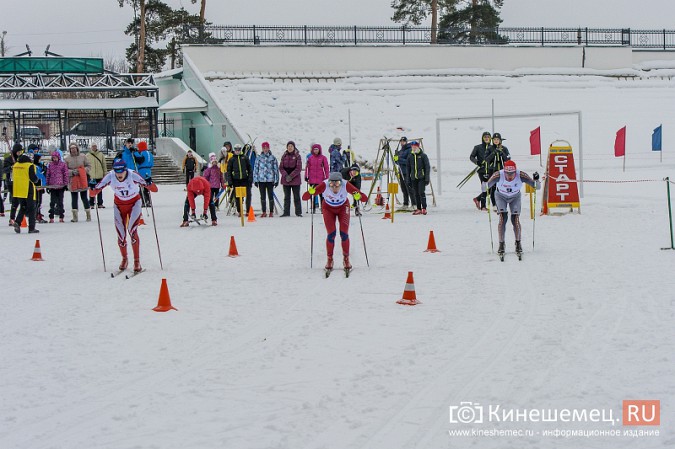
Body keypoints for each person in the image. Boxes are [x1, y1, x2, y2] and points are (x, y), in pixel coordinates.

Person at [89, 159, 157, 272]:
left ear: (125, 169)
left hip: (134, 203)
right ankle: (124, 259)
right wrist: (91, 187)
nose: (119, 173)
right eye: (117, 171)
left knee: (132, 230)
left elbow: (154, 190)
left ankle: (136, 261)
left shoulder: (132, 175)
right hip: (119, 205)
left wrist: (149, 183)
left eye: (121, 171)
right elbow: (93, 193)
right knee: (121, 235)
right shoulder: (110, 176)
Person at [302, 171, 367, 271]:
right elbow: (304, 197)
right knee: (331, 234)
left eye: (337, 184)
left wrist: (359, 196)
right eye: (331, 184)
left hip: (343, 207)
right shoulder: (324, 184)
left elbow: (363, 197)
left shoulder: (346, 184)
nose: (334, 187)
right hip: (328, 208)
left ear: (341, 182)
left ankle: (346, 258)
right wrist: (310, 192)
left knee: (344, 233)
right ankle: (329, 259)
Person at [486, 160, 540, 257]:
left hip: (515, 197)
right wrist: (485, 181)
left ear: (515, 171)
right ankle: (501, 244)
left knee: (515, 219)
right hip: (500, 196)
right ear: (504, 171)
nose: (510, 176)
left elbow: (537, 187)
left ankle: (518, 243)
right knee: (503, 218)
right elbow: (484, 188)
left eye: (512, 173)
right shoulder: (498, 175)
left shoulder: (521, 175)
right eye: (507, 173)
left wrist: (536, 179)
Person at [11, 149, 40, 234]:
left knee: (23, 207)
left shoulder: (16, 165)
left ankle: (17, 222)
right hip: (28, 189)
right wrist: (37, 180)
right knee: (32, 209)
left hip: (18, 190)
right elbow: (33, 178)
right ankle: (31, 228)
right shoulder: (30, 165)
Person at [65, 142, 91, 222]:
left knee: (84, 197)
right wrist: (71, 172)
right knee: (74, 198)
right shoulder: (67, 159)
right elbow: (65, 170)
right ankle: (75, 216)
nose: (73, 150)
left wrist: (83, 171)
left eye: (74, 148)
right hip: (73, 180)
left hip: (82, 179)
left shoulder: (83, 156)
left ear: (77, 148)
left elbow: (89, 166)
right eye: (71, 149)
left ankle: (88, 215)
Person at [252, 141, 279, 217]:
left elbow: (276, 169)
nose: (265, 149)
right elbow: (256, 169)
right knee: (262, 196)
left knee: (270, 196)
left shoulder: (272, 158)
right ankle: (264, 211)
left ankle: (271, 211)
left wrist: (277, 180)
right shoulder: (259, 158)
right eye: (264, 148)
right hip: (261, 180)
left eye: (266, 148)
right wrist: (255, 180)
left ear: (269, 148)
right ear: (262, 148)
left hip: (270, 180)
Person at [485, 132, 511, 210]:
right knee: (493, 187)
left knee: (502, 187)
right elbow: (486, 159)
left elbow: (508, 159)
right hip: (492, 170)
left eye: (497, 139)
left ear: (500, 140)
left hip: (502, 170)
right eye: (494, 139)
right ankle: (494, 204)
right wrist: (493, 153)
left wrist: (502, 153)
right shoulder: (489, 148)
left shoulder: (504, 148)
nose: (496, 141)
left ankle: (502, 203)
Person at [226, 144, 253, 216]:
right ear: (234, 150)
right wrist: (230, 181)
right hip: (236, 180)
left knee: (248, 195)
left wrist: (250, 178)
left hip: (245, 179)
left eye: (239, 150)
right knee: (238, 196)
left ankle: (248, 210)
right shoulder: (232, 159)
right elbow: (229, 171)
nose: (237, 151)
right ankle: (239, 211)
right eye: (236, 150)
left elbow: (250, 169)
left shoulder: (245, 158)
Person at [279, 140, 303, 217]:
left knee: (296, 196)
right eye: (289, 146)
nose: (290, 148)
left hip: (295, 179)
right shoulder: (284, 156)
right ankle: (286, 212)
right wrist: (286, 175)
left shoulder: (297, 156)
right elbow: (281, 167)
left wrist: (291, 176)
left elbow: (298, 168)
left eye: (291, 146)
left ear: (294, 147)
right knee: (286, 197)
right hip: (286, 180)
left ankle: (298, 212)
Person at [470, 131, 492, 211]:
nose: (486, 138)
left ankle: (477, 199)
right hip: (482, 171)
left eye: (488, 137)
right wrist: (477, 162)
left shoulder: (492, 147)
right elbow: (471, 157)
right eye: (485, 137)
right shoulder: (477, 147)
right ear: (482, 138)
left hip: (490, 170)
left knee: (491, 188)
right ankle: (483, 206)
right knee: (485, 187)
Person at [407, 141, 430, 215]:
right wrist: (408, 180)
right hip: (414, 178)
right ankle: (418, 208)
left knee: (421, 192)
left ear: (418, 147)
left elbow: (427, 167)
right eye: (412, 147)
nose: (413, 148)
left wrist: (427, 178)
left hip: (421, 178)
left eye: (415, 147)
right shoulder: (410, 156)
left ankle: (424, 208)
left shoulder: (423, 156)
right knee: (416, 193)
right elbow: (408, 169)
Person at [304, 143, 329, 213]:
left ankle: (323, 208)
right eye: (314, 149)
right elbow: (307, 168)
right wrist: (306, 176)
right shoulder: (310, 158)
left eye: (317, 149)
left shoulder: (323, 158)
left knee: (322, 194)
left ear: (319, 150)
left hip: (321, 179)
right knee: (313, 194)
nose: (315, 151)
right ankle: (313, 207)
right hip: (312, 179)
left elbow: (326, 168)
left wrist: (327, 177)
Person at [45, 148, 68, 223]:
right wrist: (47, 185)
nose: (54, 159)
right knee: (52, 202)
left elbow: (65, 174)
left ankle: (61, 216)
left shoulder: (62, 164)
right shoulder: (50, 165)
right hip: (52, 186)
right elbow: (48, 175)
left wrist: (65, 184)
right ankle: (51, 217)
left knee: (60, 202)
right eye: (53, 158)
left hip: (60, 186)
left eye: (56, 158)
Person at [4, 143, 23, 225]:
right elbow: (5, 170)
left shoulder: (22, 159)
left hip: (20, 181)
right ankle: (12, 218)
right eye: (18, 152)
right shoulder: (8, 159)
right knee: (15, 200)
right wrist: (11, 167)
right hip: (11, 182)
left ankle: (14, 218)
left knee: (19, 201)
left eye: (20, 152)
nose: (19, 153)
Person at [202, 152, 224, 219]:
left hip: (217, 185)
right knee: (210, 196)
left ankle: (216, 205)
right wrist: (205, 183)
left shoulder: (218, 169)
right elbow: (205, 176)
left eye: (215, 162)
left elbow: (221, 177)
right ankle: (210, 205)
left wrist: (222, 183)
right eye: (213, 162)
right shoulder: (209, 169)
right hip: (210, 185)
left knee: (217, 196)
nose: (214, 163)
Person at [394, 137, 413, 209]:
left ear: (406, 142)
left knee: (409, 188)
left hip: (407, 172)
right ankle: (405, 203)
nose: (402, 142)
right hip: (401, 171)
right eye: (401, 141)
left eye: (403, 141)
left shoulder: (409, 150)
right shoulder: (401, 151)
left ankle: (414, 204)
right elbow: (397, 162)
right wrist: (396, 158)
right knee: (403, 188)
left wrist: (399, 159)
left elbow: (408, 161)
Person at [86, 143, 107, 208]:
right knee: (92, 190)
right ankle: (91, 203)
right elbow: (86, 165)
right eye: (93, 146)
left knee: (100, 190)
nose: (94, 147)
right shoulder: (87, 155)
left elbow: (104, 164)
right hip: (92, 176)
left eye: (95, 146)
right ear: (91, 147)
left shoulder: (101, 154)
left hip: (100, 175)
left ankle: (100, 203)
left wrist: (105, 173)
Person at [133, 141, 154, 206]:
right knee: (147, 186)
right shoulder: (149, 153)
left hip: (141, 170)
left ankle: (143, 200)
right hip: (148, 171)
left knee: (141, 186)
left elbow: (138, 160)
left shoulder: (141, 153)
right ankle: (148, 200)